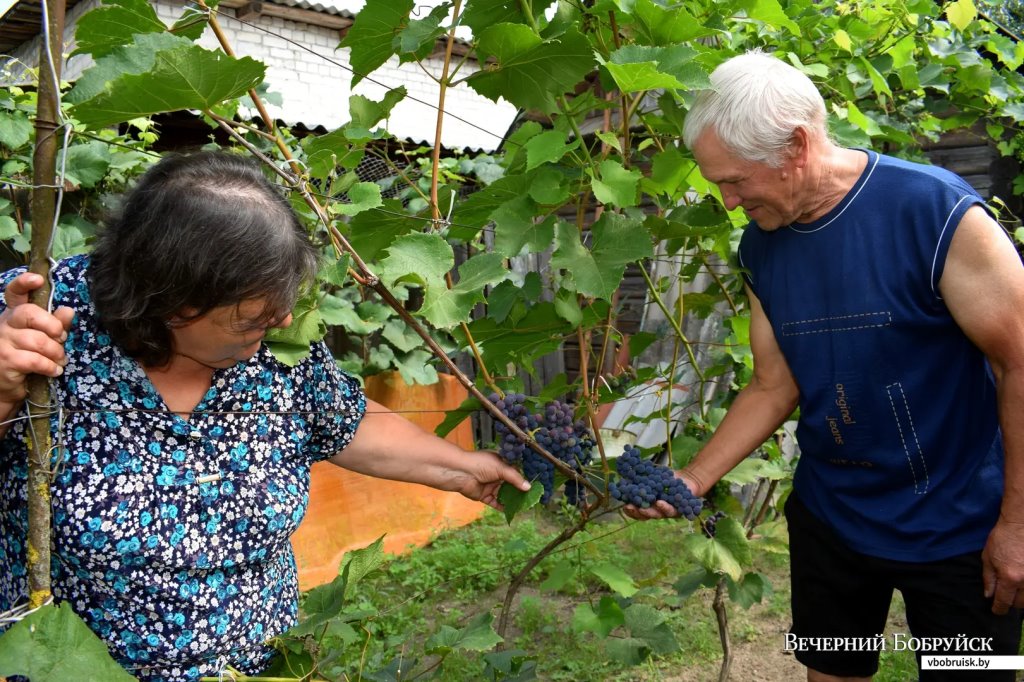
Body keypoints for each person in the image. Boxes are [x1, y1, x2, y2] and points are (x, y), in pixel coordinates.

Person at [0, 151, 531, 681]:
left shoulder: (273, 344)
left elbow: (347, 422)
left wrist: (462, 469)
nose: (277, 323)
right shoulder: (35, 323)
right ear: (171, 299)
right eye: (250, 320)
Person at [627, 50, 1024, 680]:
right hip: (834, 523)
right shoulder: (761, 244)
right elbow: (772, 382)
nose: (728, 202)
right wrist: (693, 480)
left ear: (797, 146)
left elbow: (1019, 365)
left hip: (957, 531)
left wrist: (1018, 524)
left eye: (735, 180)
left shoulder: (936, 214)